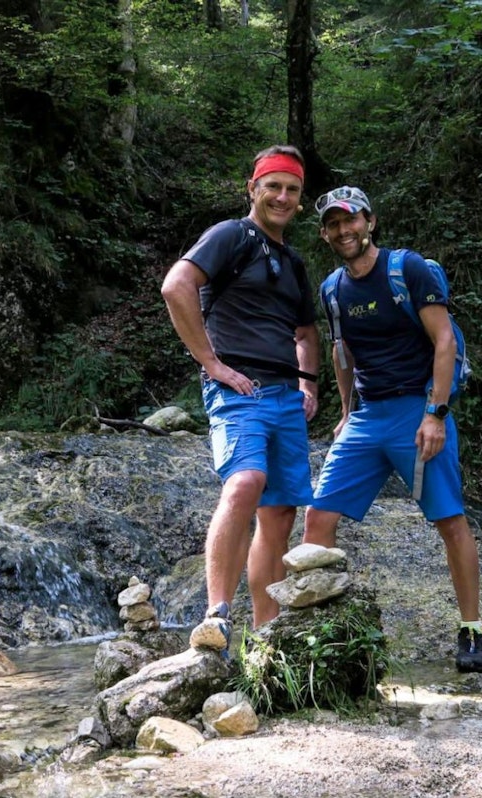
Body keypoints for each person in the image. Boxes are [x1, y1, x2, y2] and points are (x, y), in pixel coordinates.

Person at [303, 186, 482, 673]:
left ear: (370, 221)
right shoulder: (333, 290)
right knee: (318, 517)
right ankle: (317, 631)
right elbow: (343, 353)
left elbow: (444, 340)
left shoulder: (408, 269)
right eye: (333, 224)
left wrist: (436, 413)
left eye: (351, 220)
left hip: (417, 408)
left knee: (449, 520)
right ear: (325, 234)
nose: (344, 230)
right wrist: (346, 411)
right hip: (368, 416)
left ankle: (471, 629)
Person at [161, 145, 319, 652]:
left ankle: (266, 636)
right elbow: (177, 286)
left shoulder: (293, 262)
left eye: (292, 189)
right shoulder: (231, 235)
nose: (282, 197)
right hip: (239, 388)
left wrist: (309, 385)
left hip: (285, 396)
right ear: (253, 189)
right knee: (246, 481)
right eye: (273, 186)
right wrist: (211, 363)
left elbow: (305, 332)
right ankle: (217, 616)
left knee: (280, 512)